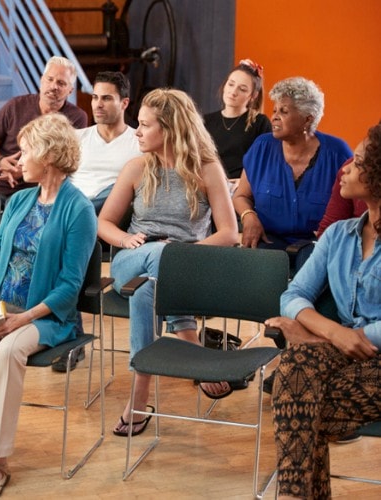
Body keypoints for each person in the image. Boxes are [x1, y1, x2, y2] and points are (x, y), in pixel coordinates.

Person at [0, 113, 96, 498]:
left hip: (46, 316)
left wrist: (20, 319)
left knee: (9, 351)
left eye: (25, 152)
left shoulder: (79, 210)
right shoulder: (19, 200)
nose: (18, 159)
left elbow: (69, 287)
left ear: (49, 155)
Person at [97, 88, 238, 436]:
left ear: (170, 129)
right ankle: (193, 350)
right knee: (159, 257)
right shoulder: (136, 168)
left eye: (145, 125)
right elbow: (103, 223)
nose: (137, 131)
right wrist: (124, 239)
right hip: (132, 261)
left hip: (184, 266)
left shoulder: (208, 169)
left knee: (149, 293)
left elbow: (230, 234)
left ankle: (138, 399)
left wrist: (184, 254)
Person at [265, 121, 381, 500]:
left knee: (295, 399)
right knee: (298, 371)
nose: (344, 167)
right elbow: (294, 294)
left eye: (358, 162)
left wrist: (314, 335)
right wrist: (332, 333)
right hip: (340, 352)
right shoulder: (338, 234)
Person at [232, 76, 352, 270]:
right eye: (275, 110)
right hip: (268, 241)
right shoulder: (262, 146)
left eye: (284, 111)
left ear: (307, 119)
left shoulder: (337, 154)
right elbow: (241, 195)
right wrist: (249, 217)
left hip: (318, 245)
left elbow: (353, 210)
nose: (274, 117)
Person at [0, 56, 88, 202]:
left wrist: (26, 170)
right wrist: (1, 161)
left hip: (36, 191)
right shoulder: (15, 106)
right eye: (50, 79)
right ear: (41, 81)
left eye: (61, 83)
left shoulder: (76, 117)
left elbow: (68, 164)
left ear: (70, 90)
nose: (54, 86)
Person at [70, 71, 141, 213]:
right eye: (95, 98)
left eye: (106, 98)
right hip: (73, 209)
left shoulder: (140, 141)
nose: (98, 104)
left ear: (124, 103)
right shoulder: (75, 137)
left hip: (113, 211)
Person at [203, 59, 271, 189]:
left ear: (253, 95)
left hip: (242, 189)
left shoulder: (260, 123)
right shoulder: (206, 122)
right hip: (209, 186)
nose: (233, 92)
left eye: (242, 89)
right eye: (231, 84)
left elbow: (267, 163)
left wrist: (244, 183)